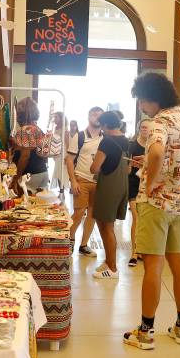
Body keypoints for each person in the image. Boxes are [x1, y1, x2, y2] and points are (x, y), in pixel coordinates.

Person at [124, 73, 180, 351]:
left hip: (156, 204)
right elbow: (176, 157)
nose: (141, 106)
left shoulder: (159, 122)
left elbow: (156, 152)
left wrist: (151, 179)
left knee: (153, 266)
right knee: (178, 263)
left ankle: (145, 331)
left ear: (151, 98)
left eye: (142, 100)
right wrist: (153, 163)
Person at [90, 111, 131, 280]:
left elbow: (94, 168)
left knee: (107, 227)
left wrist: (94, 162)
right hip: (122, 184)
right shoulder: (126, 140)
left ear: (106, 125)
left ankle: (112, 268)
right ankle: (108, 262)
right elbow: (128, 167)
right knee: (107, 225)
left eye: (102, 126)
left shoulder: (106, 141)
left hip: (108, 186)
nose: (101, 130)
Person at [66, 106, 103, 256]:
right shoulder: (79, 136)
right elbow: (69, 160)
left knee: (93, 214)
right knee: (79, 212)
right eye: (94, 113)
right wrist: (73, 181)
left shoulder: (105, 138)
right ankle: (69, 240)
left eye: (99, 115)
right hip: (81, 179)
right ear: (88, 116)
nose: (96, 116)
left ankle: (84, 245)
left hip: (99, 182)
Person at [126, 118, 151, 266]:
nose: (145, 129)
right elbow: (128, 169)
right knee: (136, 217)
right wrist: (132, 164)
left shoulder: (155, 146)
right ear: (138, 128)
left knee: (146, 219)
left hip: (149, 184)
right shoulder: (131, 145)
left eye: (147, 127)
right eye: (142, 127)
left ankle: (143, 249)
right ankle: (134, 253)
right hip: (134, 183)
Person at [11, 98, 49, 193]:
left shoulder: (25, 130)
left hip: (29, 176)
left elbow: (25, 155)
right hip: (42, 172)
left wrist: (16, 178)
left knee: (23, 205)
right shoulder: (38, 129)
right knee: (39, 205)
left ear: (20, 114)